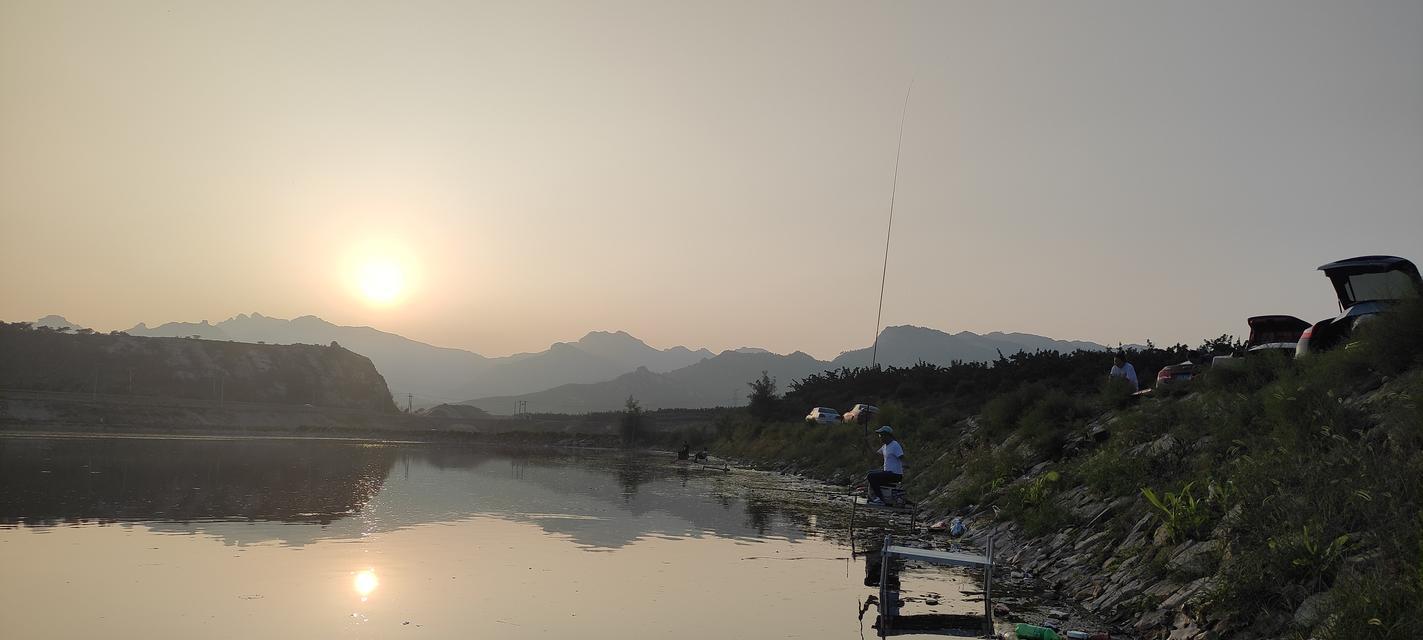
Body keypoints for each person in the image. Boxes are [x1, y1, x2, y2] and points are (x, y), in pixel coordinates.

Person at [866, 425, 905, 504]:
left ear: (887, 435)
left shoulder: (895, 445)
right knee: (871, 474)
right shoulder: (885, 446)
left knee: (871, 476)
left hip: (895, 475)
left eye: (881, 435)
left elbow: (902, 457)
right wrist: (868, 445)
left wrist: (905, 465)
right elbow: (875, 454)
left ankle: (880, 498)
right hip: (888, 473)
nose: (879, 437)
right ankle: (874, 497)